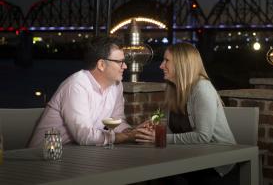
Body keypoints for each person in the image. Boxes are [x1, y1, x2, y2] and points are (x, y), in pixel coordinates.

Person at [136, 42, 238, 185]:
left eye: (167, 61)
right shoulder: (173, 89)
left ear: (181, 64)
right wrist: (150, 126)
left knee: (163, 176)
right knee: (155, 173)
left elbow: (203, 137)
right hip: (191, 156)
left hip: (216, 164)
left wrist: (160, 138)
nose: (161, 66)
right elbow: (163, 122)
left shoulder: (202, 89)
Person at [29, 36, 139, 148]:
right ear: (101, 65)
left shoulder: (116, 85)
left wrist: (134, 132)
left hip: (78, 152)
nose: (125, 66)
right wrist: (125, 137)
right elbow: (84, 135)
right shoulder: (76, 85)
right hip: (44, 155)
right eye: (120, 62)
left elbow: (116, 121)